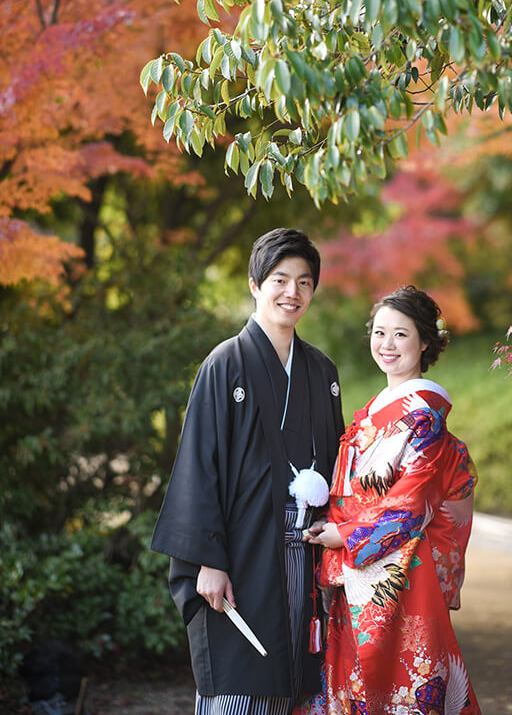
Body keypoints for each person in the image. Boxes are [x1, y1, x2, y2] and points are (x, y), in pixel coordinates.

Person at [151, 228, 344, 714]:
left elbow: (342, 464)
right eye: (280, 279)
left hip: (305, 553)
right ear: (256, 284)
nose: (292, 292)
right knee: (241, 683)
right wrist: (207, 560)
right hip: (241, 553)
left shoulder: (322, 372)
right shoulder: (225, 364)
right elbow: (200, 465)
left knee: (296, 681)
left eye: (304, 282)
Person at [303, 285, 480, 715]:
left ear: (425, 341)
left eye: (401, 334)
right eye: (379, 332)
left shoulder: (423, 413)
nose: (387, 345)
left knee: (400, 682)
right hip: (360, 565)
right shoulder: (378, 408)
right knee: (357, 680)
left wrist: (344, 533)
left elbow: (411, 504)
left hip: (401, 572)